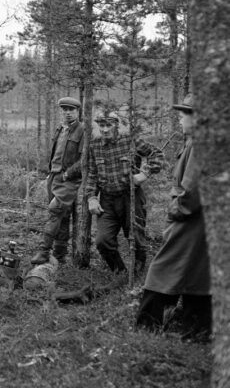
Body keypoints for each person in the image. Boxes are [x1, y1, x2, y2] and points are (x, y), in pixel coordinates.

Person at [136, 95, 211, 341]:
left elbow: (192, 191)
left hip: (190, 220)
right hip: (198, 221)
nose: (179, 120)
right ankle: (196, 328)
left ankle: (147, 326)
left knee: (162, 268)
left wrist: (174, 210)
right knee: (197, 273)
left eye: (183, 115)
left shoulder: (201, 144)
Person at [85, 111, 164, 273]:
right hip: (107, 200)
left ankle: (138, 272)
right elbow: (93, 174)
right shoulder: (95, 145)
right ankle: (119, 272)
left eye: (109, 125)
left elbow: (156, 154)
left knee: (136, 236)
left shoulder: (130, 140)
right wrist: (92, 197)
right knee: (102, 240)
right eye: (101, 125)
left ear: (117, 125)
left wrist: (145, 173)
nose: (105, 129)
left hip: (131, 197)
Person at [31, 97, 84, 265]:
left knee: (54, 212)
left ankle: (44, 251)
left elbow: (84, 159)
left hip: (68, 179)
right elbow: (56, 154)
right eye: (65, 109)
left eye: (71, 110)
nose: (67, 113)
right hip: (54, 177)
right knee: (62, 216)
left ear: (78, 111)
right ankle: (60, 256)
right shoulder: (60, 128)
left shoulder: (82, 130)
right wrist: (50, 173)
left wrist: (68, 175)